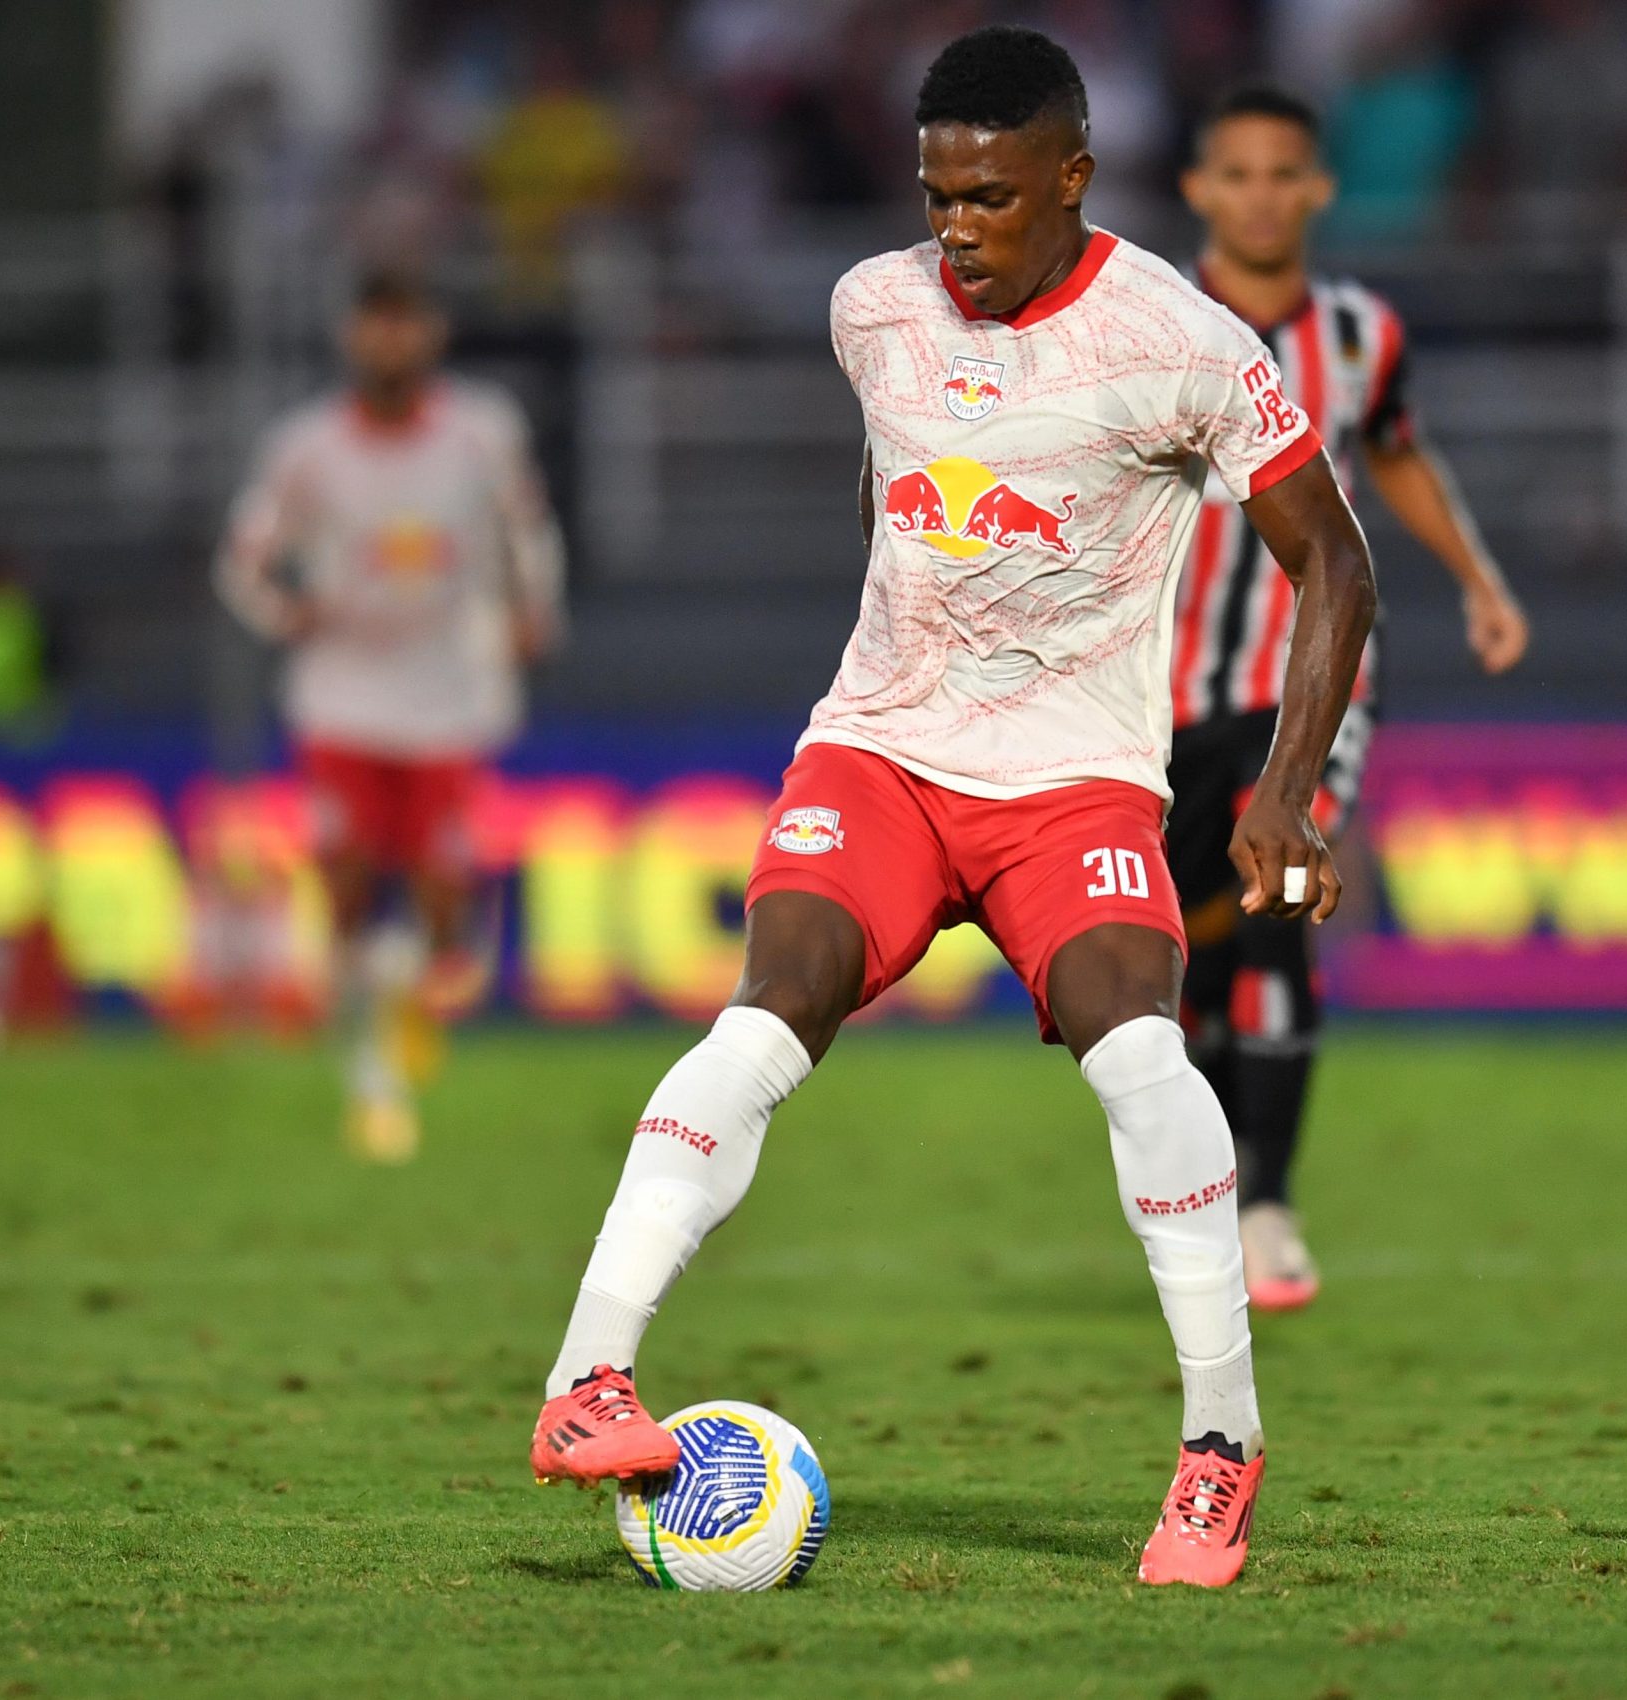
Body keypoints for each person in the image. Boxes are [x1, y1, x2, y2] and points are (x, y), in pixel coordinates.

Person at [526, 27, 1378, 1589]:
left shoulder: (1179, 342)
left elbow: (1337, 559)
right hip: (885, 753)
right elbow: (903, 479)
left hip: (1075, 783)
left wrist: (1283, 795)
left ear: (1072, 177)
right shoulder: (871, 308)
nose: (956, 233)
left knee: (1140, 1050)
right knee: (769, 1013)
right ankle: (585, 1381)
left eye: (990, 199)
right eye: (937, 198)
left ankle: (1219, 1453)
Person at [1171, 85, 1528, 1312]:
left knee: (1275, 911)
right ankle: (1213, 1190)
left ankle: (1263, 1202)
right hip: (1151, 695)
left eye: (1285, 173)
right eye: (1239, 172)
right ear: (1198, 191)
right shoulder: (1146, 322)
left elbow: (1394, 450)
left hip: (1309, 689)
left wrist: (1476, 576)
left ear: (1317, 189)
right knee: (1187, 961)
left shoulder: (1361, 332)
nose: (1263, 194)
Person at [216, 271, 564, 1163]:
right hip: (343, 692)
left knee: (444, 891)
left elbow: (526, 529)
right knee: (345, 869)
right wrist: (281, 612)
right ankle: (367, 1064)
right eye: (377, 325)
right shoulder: (307, 448)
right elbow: (247, 558)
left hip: (451, 692)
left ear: (433, 332)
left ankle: (419, 986)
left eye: (405, 324)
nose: (390, 344)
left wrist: (535, 609)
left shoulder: (481, 432)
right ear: (351, 334)